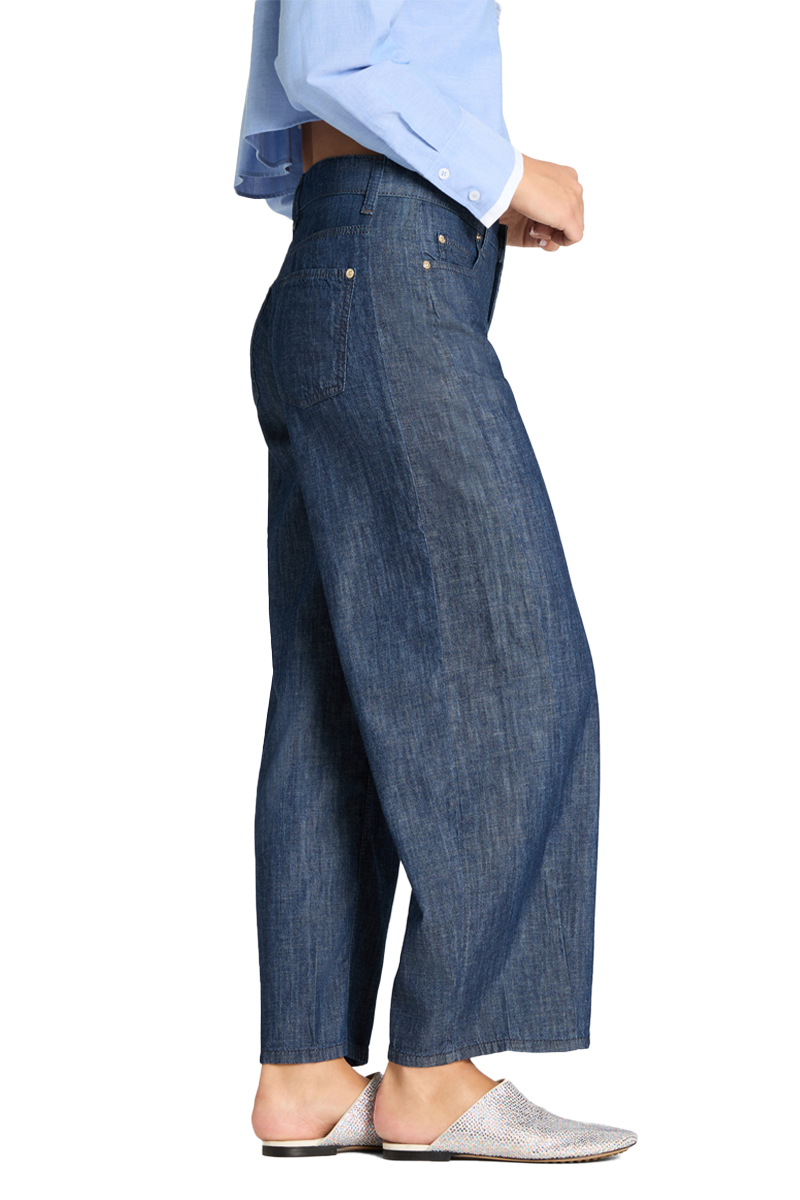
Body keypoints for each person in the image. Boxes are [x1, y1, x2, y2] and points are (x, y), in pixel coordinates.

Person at [234, 0, 637, 1163]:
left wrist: (459, 191)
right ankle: (433, 1070)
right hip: (385, 274)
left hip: (356, 258)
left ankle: (305, 1073)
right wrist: (500, 171)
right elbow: (329, 60)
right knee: (514, 672)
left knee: (337, 704)